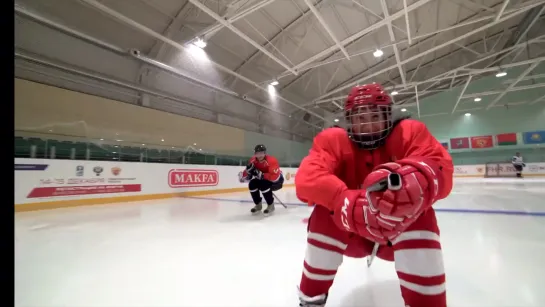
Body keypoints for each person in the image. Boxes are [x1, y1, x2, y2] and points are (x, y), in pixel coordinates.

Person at [294, 83, 454, 307]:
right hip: (350, 234)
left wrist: (418, 180)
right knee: (323, 213)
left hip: (396, 232)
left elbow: (438, 165)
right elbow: (307, 179)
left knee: (420, 213)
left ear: (388, 115)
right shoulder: (332, 140)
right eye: (359, 117)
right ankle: (311, 299)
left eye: (374, 115)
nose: (367, 123)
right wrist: (344, 202)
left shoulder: (410, 132)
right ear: (350, 120)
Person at [239, 144, 284, 214]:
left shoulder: (272, 160)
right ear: (255, 154)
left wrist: (262, 175)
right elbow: (248, 171)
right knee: (252, 184)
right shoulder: (252, 160)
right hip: (263, 179)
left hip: (277, 181)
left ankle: (271, 205)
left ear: (265, 153)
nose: (259, 156)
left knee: (264, 184)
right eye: (257, 153)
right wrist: (244, 176)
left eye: (261, 153)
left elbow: (275, 177)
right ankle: (258, 205)